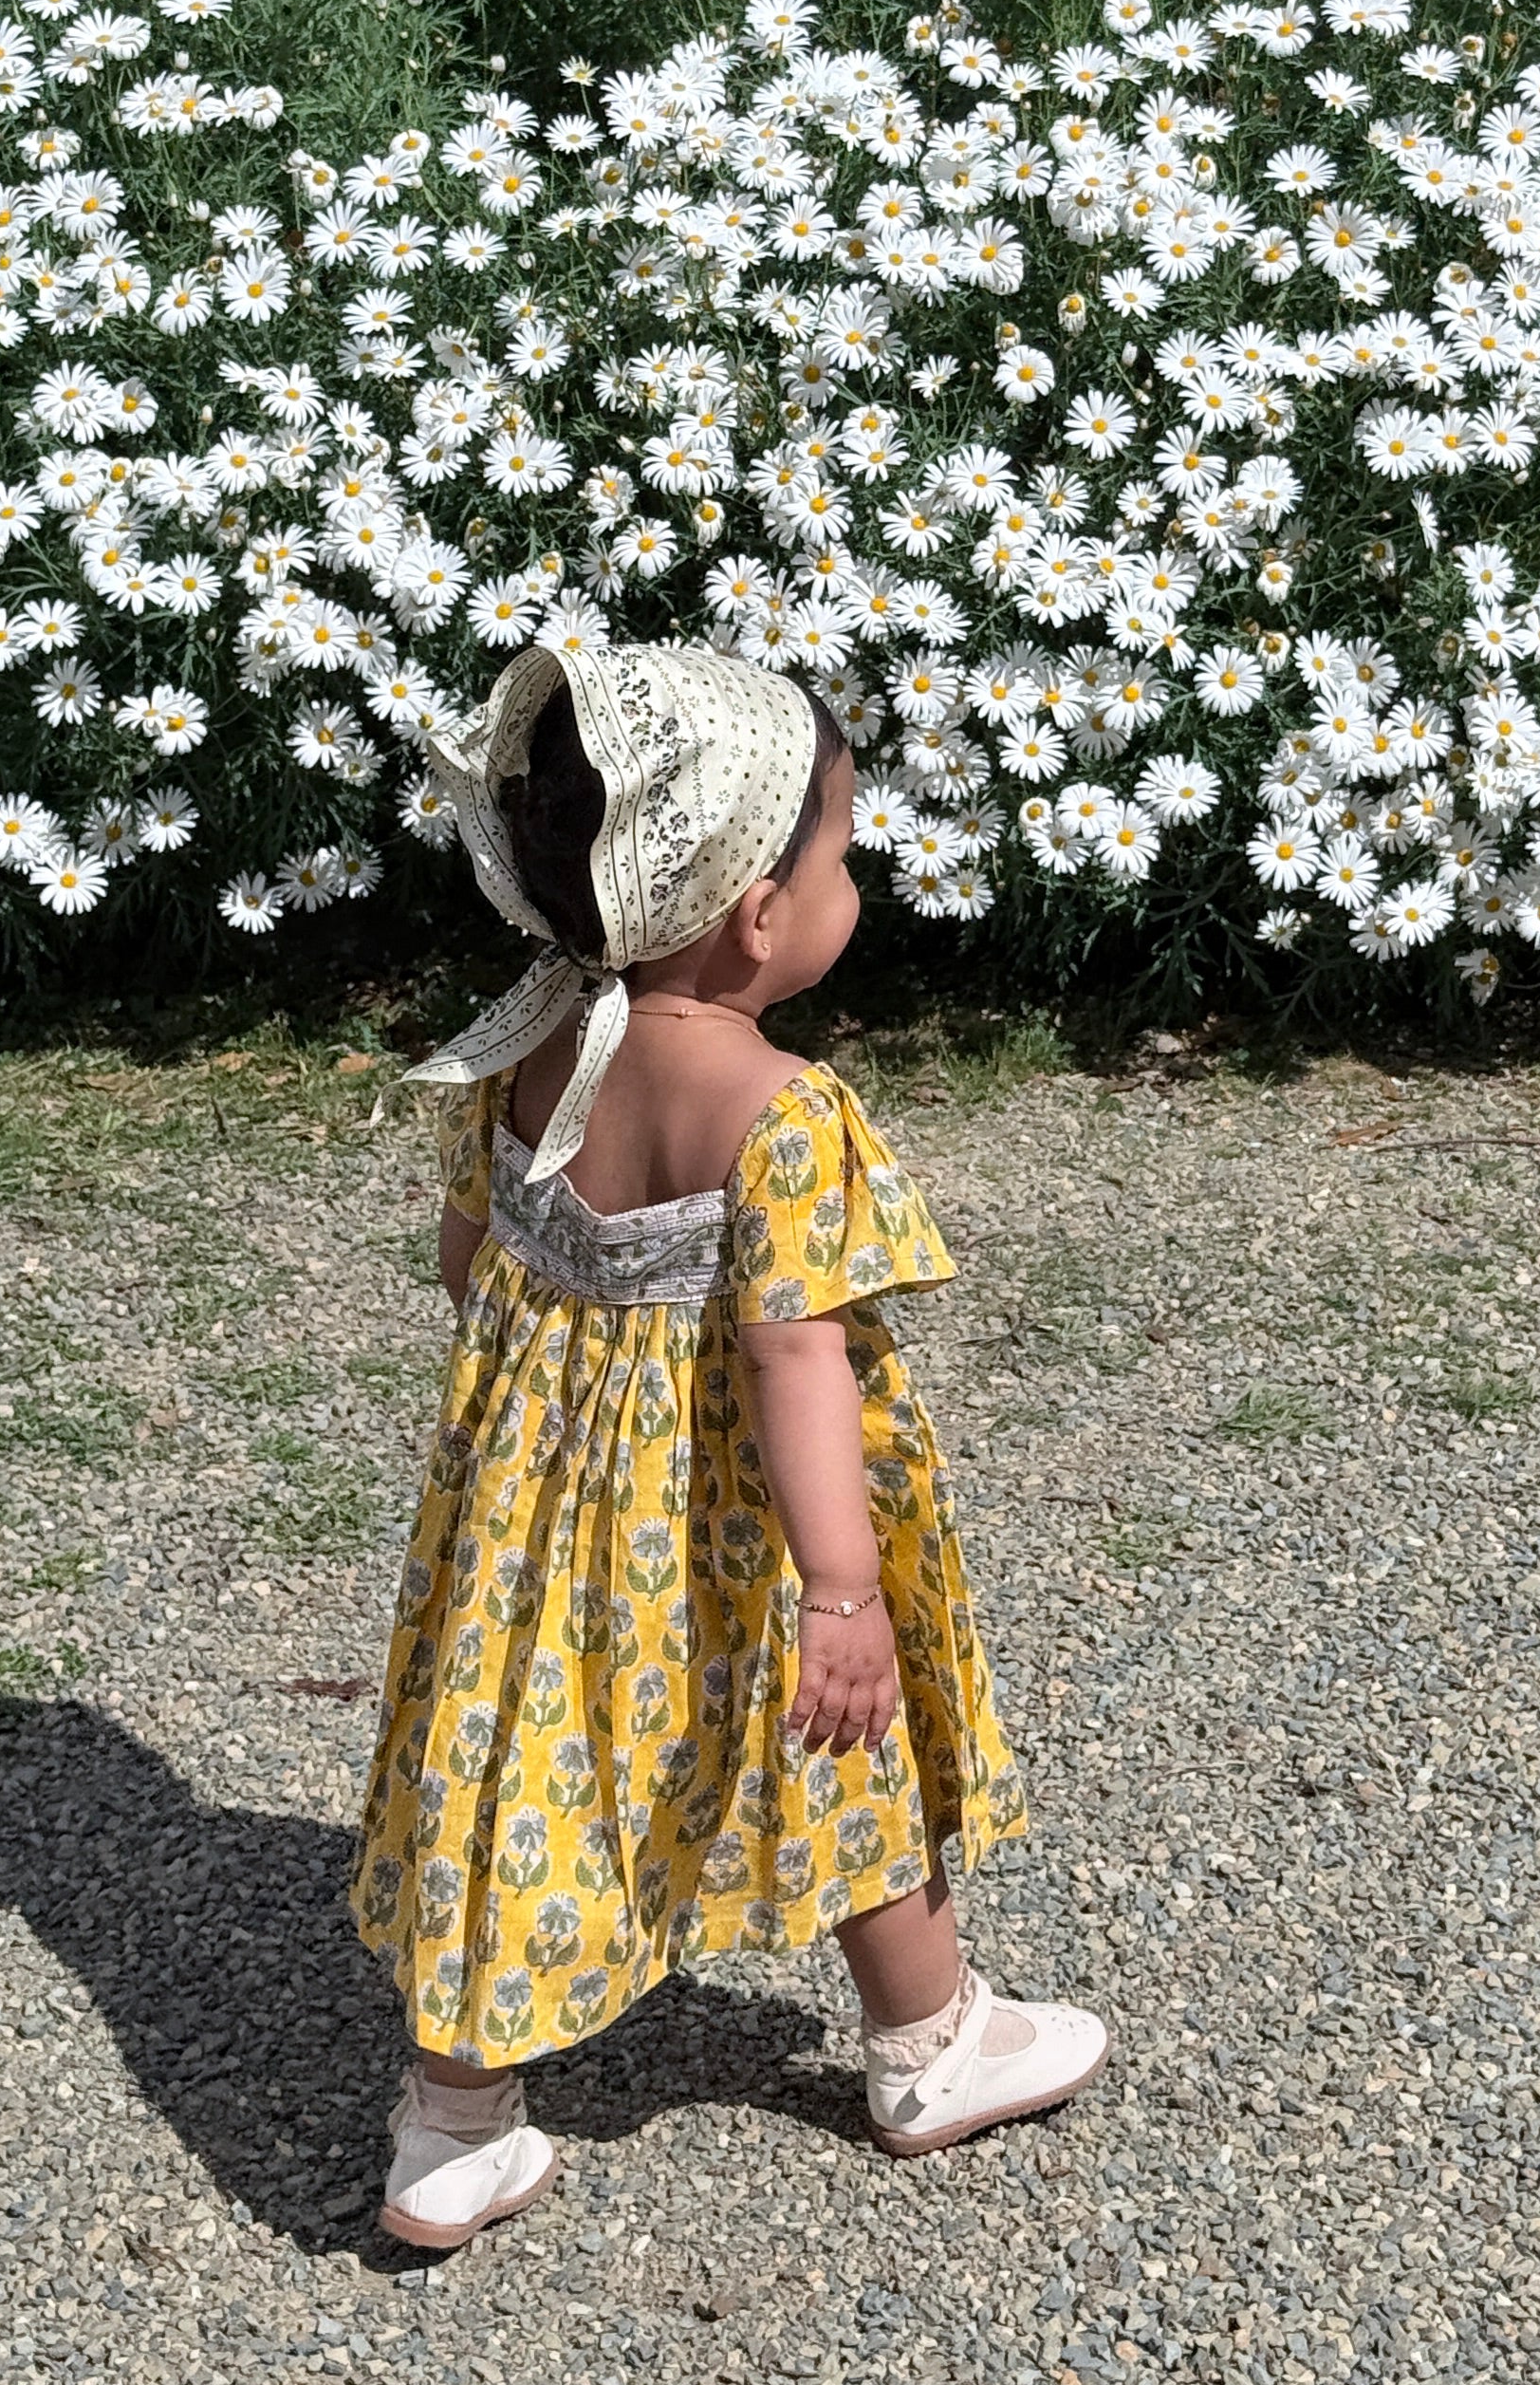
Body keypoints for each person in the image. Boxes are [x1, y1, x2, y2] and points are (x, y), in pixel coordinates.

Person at [350, 639, 1107, 2248]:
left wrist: (552, 1410)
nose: (851, 882)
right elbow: (793, 1353)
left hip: (539, 1506)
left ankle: (453, 2125)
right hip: (747, 1529)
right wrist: (841, 1586)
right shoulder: (777, 1110)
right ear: (762, 913)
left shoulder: (532, 1047)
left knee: (516, 1759)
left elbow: (465, 1261)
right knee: (843, 1749)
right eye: (840, 851)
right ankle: (928, 2041)